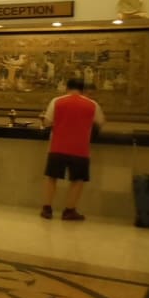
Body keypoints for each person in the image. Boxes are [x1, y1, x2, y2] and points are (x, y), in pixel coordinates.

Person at [40, 78, 105, 221]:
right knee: (77, 180)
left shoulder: (56, 101)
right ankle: (69, 211)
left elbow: (47, 122)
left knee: (52, 177)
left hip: (57, 146)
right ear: (83, 89)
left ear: (67, 87)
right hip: (80, 148)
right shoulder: (92, 104)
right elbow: (100, 122)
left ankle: (47, 209)